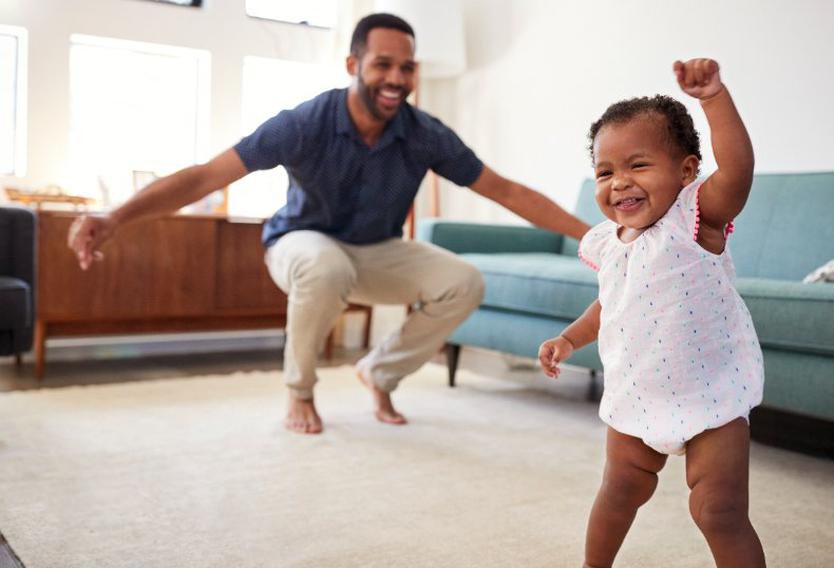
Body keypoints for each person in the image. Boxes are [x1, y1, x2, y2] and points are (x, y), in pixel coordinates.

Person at [67, 13, 589, 435]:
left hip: (376, 249)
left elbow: (505, 190)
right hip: (299, 244)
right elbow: (206, 175)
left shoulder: (424, 133)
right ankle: (299, 390)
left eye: (407, 68)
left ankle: (379, 372)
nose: (396, 79)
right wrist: (115, 217)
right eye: (383, 64)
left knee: (465, 281)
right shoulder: (304, 123)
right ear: (352, 63)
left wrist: (591, 236)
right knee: (322, 264)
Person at [538, 59, 766, 568]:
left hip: (711, 394)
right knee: (618, 491)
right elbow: (611, 304)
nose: (619, 182)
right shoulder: (607, 243)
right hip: (637, 391)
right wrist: (571, 339)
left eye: (638, 165)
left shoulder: (694, 219)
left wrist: (713, 99)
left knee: (718, 510)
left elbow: (738, 171)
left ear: (686, 172)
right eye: (605, 171)